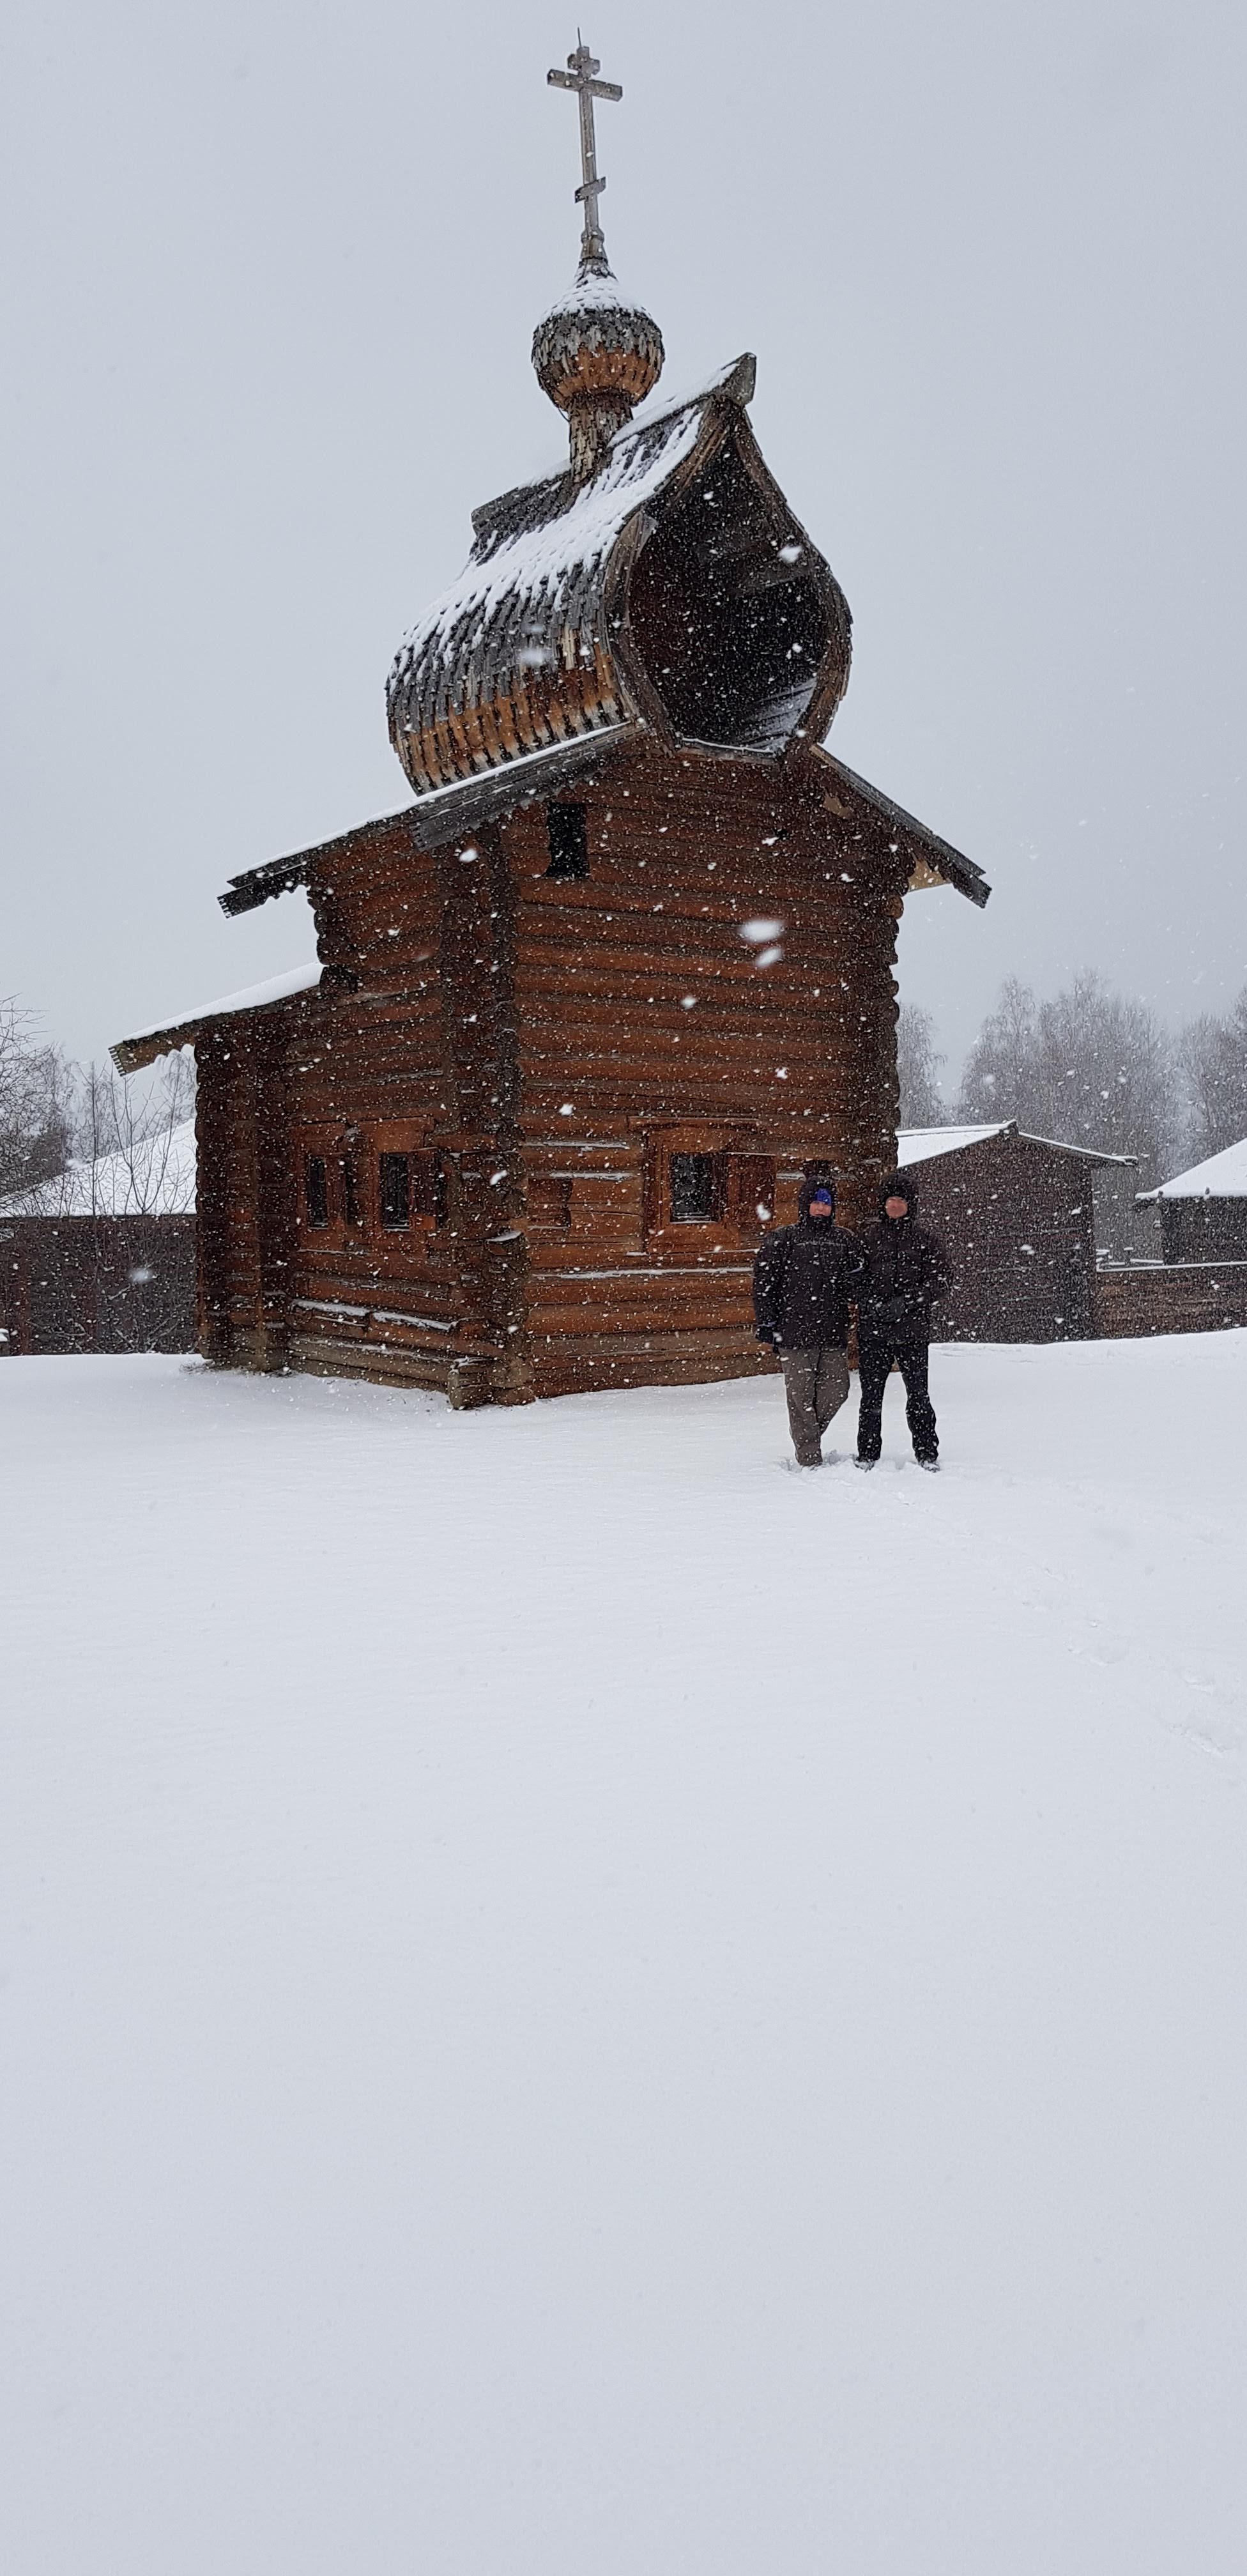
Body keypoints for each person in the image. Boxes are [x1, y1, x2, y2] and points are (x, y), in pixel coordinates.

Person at [753, 1174, 864, 1468]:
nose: (820, 1208)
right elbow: (765, 1283)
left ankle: (807, 1435)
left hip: (832, 1331)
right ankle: (809, 1458)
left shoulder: (845, 1241)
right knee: (800, 1396)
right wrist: (766, 1322)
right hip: (793, 1333)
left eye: (825, 1203)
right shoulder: (783, 1239)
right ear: (804, 1205)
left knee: (837, 1391)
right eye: (814, 1202)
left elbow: (858, 1283)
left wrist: (853, 1286)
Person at [854, 1172, 951, 1471]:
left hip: (913, 1332)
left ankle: (926, 1452)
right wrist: (871, 1302)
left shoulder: (926, 1240)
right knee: (871, 1397)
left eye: (900, 1200)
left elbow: (942, 1280)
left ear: (911, 1204)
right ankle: (868, 1454)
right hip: (874, 1332)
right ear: (882, 1204)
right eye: (890, 1200)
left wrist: (907, 1302)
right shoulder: (867, 1239)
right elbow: (853, 1279)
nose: (895, 1205)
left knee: (918, 1396)